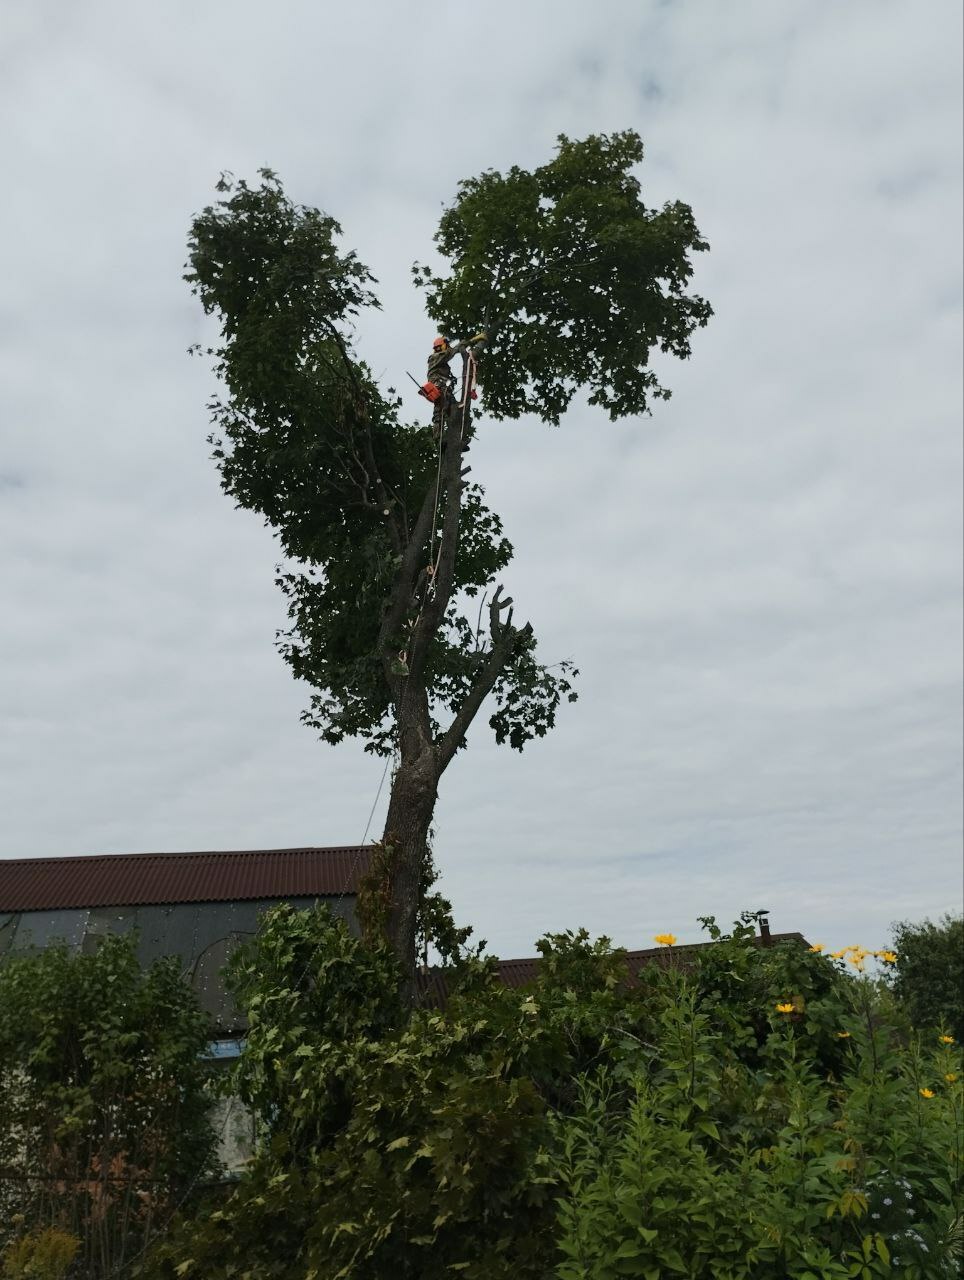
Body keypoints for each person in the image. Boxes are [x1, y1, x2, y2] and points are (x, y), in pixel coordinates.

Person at [426, 333, 486, 440]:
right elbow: (453, 351)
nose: (448, 347)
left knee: (457, 413)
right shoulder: (435, 357)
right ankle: (438, 437)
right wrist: (474, 339)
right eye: (446, 345)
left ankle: (458, 439)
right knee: (440, 413)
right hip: (440, 388)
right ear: (442, 346)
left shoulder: (441, 359)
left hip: (446, 389)